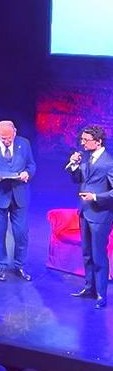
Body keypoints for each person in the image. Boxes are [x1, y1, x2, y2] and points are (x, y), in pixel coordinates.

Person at [0, 120, 35, 281]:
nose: (7, 141)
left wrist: (28, 173)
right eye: (3, 138)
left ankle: (19, 265)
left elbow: (31, 165)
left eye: (9, 138)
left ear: (15, 132)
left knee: (21, 233)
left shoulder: (24, 143)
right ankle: (1, 265)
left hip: (19, 195)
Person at [66, 124, 113, 308]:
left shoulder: (109, 162)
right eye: (82, 139)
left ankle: (101, 294)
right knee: (87, 253)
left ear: (98, 141)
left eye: (86, 140)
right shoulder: (87, 158)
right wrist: (74, 165)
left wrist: (95, 197)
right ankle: (89, 288)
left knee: (99, 255)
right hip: (85, 212)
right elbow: (78, 180)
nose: (82, 143)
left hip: (100, 215)